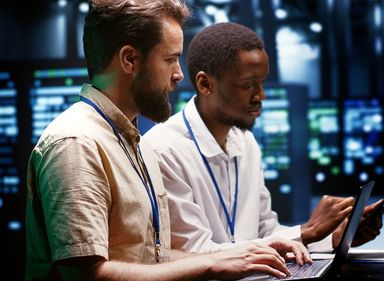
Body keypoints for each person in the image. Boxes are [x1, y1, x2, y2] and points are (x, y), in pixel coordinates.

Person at [24, 1, 311, 280]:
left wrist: (246, 252)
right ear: (129, 59)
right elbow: (86, 274)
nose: (178, 74)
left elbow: (154, 258)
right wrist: (211, 266)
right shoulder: (77, 143)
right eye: (170, 59)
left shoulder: (134, 144)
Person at [144, 22, 384, 254]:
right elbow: (194, 253)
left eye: (262, 83)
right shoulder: (164, 151)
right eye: (248, 85)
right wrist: (306, 231)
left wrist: (332, 237)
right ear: (205, 84)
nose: (261, 95)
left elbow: (265, 232)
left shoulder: (245, 142)